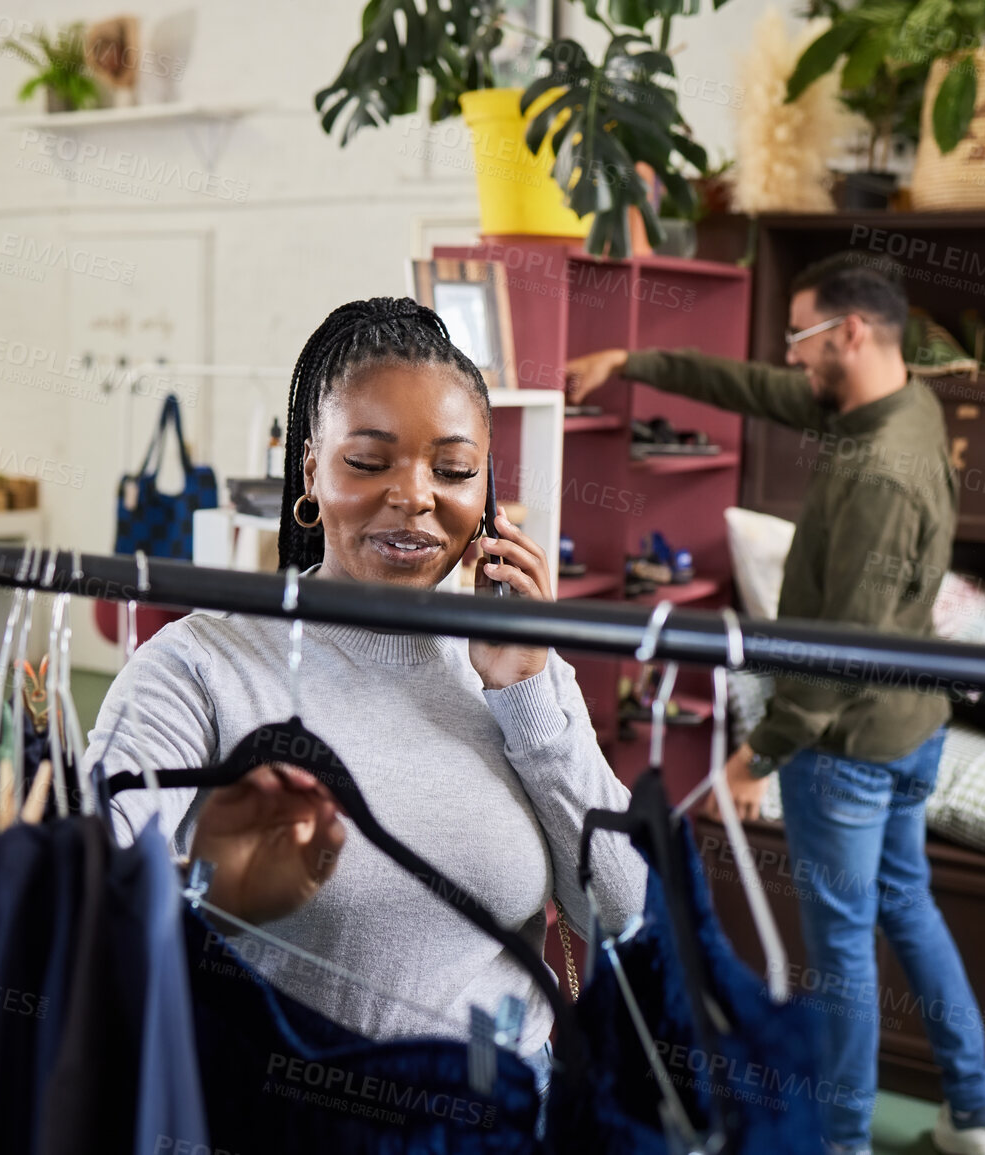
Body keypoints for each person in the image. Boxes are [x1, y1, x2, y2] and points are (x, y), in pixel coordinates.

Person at [83, 297, 647, 1098]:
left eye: (452, 470)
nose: (414, 495)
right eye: (369, 461)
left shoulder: (522, 668)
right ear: (310, 471)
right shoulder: (200, 664)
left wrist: (526, 696)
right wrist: (207, 882)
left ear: (487, 491)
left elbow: (629, 921)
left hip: (496, 1125)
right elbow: (80, 893)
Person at [567, 255, 985, 1155]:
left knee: (843, 952)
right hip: (909, 728)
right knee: (907, 907)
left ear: (850, 332)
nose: (790, 356)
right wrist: (631, 361)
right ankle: (978, 1114)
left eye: (801, 337)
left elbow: (837, 652)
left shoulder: (880, 471)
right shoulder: (897, 402)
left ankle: (838, 1141)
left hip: (848, 744)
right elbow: (756, 387)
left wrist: (755, 756)